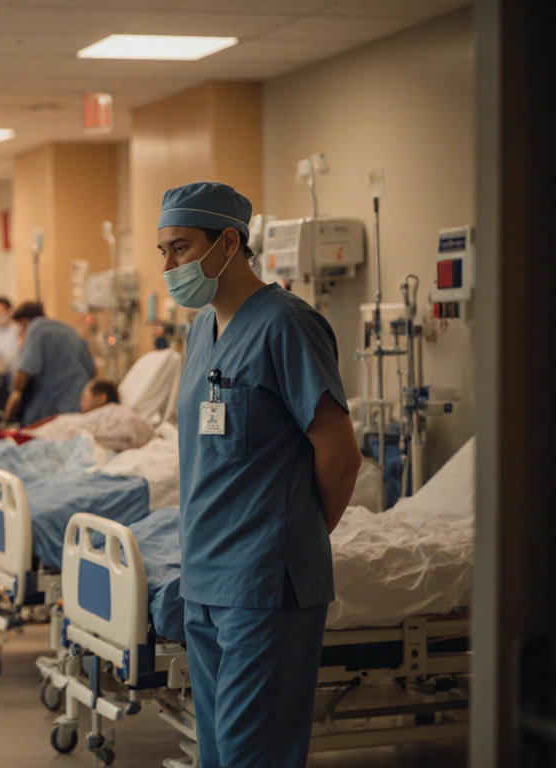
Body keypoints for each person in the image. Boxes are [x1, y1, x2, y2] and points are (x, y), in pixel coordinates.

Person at [159, 182, 361, 768]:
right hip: (204, 576)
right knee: (218, 753)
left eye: (180, 248)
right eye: (163, 252)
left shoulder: (287, 325)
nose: (169, 266)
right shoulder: (201, 331)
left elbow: (341, 454)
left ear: (228, 242)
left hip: (262, 584)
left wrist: (291, 540)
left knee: (255, 753)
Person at [3, 301, 95, 425]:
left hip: (52, 409)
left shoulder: (36, 328)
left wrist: (16, 392)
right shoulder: (69, 330)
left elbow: (23, 373)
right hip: (78, 405)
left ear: (24, 321)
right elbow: (92, 370)